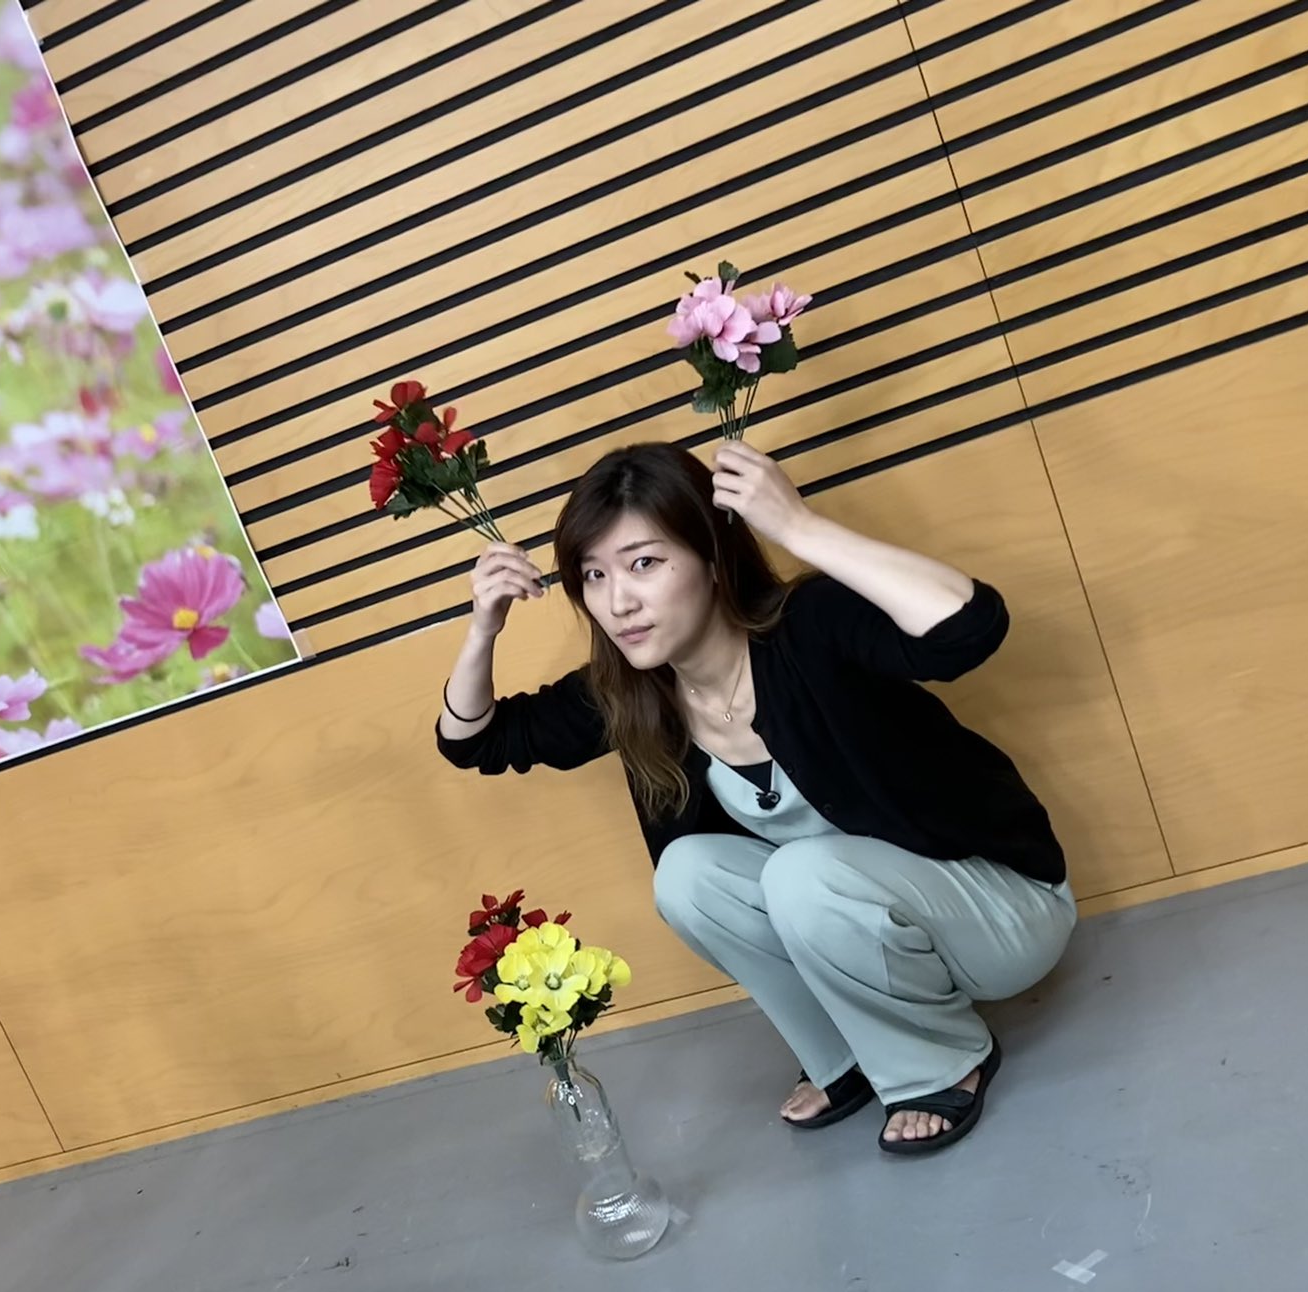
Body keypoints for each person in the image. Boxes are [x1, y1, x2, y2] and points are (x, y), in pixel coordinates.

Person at [434, 441, 1073, 1155]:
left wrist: (797, 526)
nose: (618, 602)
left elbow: (969, 628)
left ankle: (944, 1061)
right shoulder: (635, 692)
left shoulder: (806, 628)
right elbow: (473, 741)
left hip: (996, 911)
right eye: (594, 574)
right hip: (863, 919)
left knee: (802, 871)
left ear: (712, 557)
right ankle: (846, 1056)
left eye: (644, 564)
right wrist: (483, 627)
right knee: (687, 876)